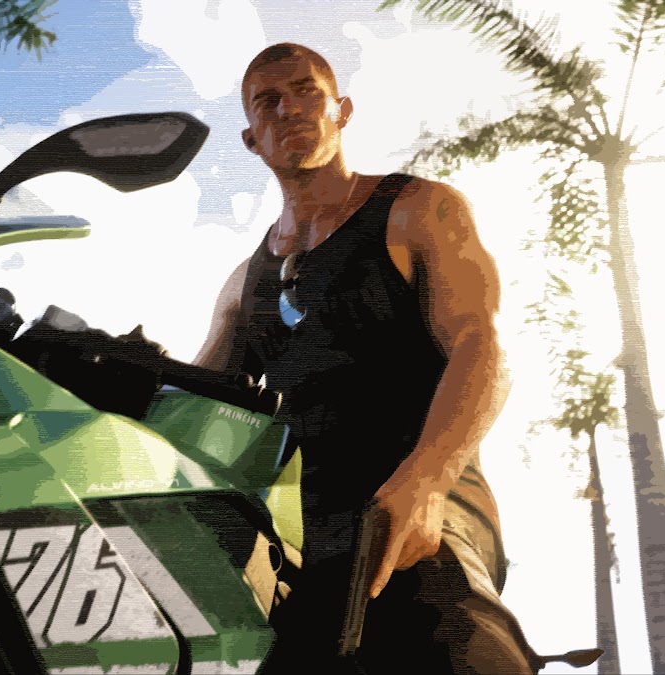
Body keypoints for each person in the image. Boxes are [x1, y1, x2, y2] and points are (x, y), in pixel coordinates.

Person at [193, 42, 540, 673]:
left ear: (342, 110)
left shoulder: (417, 211)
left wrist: (427, 478)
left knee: (455, 646)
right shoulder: (244, 283)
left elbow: (480, 345)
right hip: (292, 539)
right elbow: (191, 406)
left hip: (423, 506)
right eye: (268, 102)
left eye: (307, 91)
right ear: (251, 139)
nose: (289, 109)